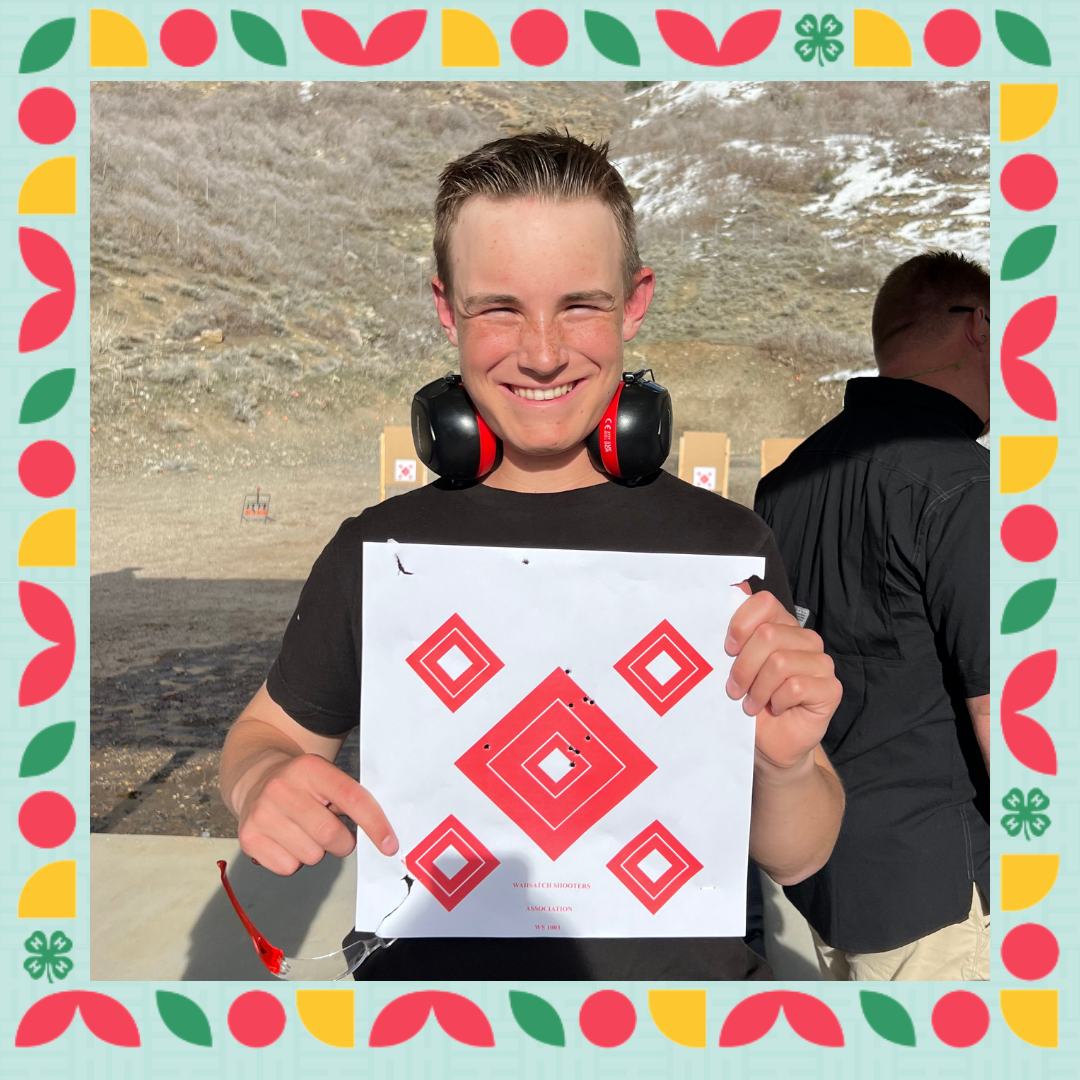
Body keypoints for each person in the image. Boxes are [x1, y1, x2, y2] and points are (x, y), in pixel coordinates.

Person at [219, 131, 845, 981]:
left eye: (581, 304)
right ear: (447, 309)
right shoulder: (379, 548)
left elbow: (798, 854)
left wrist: (790, 761)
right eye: (500, 308)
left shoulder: (728, 548)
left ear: (635, 302)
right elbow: (267, 733)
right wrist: (261, 782)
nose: (544, 351)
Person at [754, 251, 991, 981]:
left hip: (804, 876)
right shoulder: (966, 486)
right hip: (936, 896)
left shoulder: (784, 484)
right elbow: (1004, 712)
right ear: (979, 328)